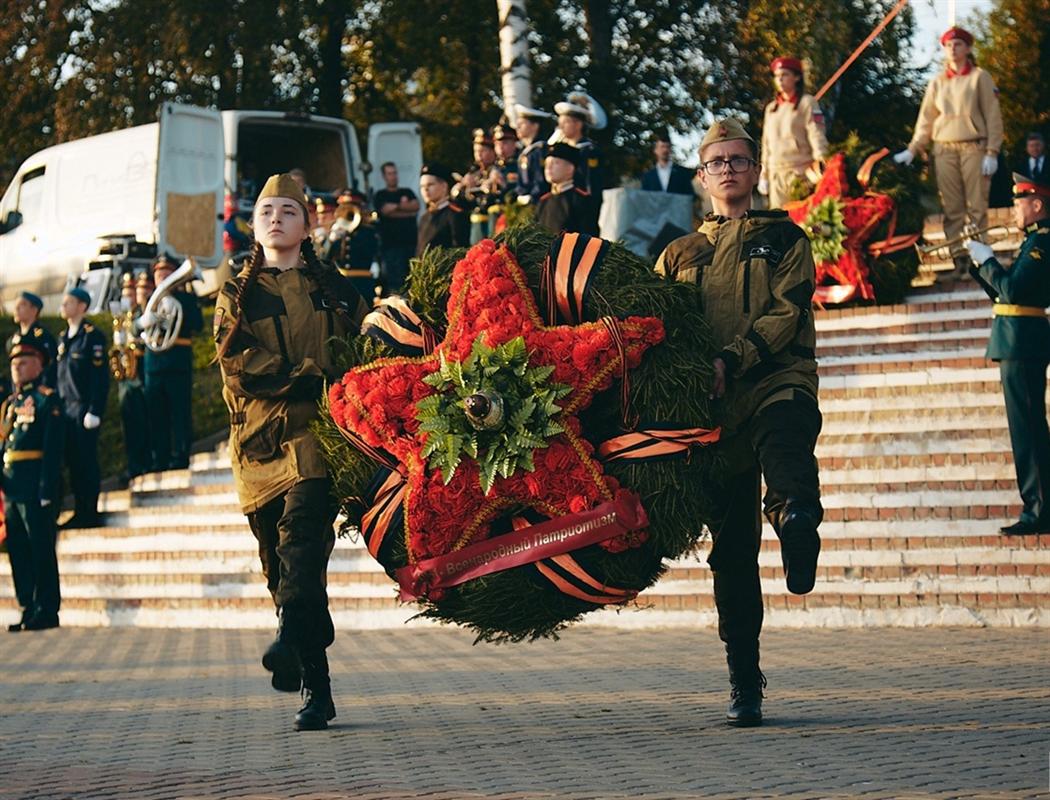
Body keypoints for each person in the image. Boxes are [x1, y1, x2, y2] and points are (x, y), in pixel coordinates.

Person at [654, 118, 822, 728]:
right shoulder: (678, 253)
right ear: (701, 176)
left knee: (787, 459)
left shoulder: (786, 238)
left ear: (755, 171)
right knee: (731, 555)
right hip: (712, 413)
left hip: (776, 381)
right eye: (716, 161)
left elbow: (788, 311)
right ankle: (744, 681)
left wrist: (734, 358)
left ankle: (799, 527)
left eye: (738, 160)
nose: (728, 169)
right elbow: (660, 330)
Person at [213, 173, 370, 731]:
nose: (275, 218)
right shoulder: (235, 292)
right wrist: (309, 376)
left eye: (288, 211)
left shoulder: (338, 289)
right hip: (259, 444)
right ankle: (315, 683)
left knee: (301, 541)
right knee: (284, 572)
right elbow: (240, 365)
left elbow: (365, 350)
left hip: (320, 437)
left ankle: (288, 638)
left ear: (307, 226)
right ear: (255, 227)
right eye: (266, 212)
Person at [967, 174, 1050, 535]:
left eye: (1020, 202)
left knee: (1028, 431)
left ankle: (1038, 510)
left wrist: (989, 262)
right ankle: (1038, 507)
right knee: (1026, 430)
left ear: (1037, 205)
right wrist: (980, 266)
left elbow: (1013, 290)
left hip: (1023, 343)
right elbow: (1003, 293)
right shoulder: (1032, 241)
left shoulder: (1041, 243)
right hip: (1016, 341)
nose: (1015, 208)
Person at [894, 27, 1004, 277]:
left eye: (957, 44)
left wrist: (992, 151)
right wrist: (913, 149)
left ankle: (981, 261)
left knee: (976, 206)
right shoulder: (937, 82)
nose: (953, 49)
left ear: (967, 48)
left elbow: (993, 116)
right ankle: (959, 261)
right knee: (952, 209)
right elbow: (927, 119)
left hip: (973, 146)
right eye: (948, 45)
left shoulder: (980, 77)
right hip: (944, 149)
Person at [2, 339, 64, 631]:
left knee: (40, 549)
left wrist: (47, 488)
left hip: (34, 486)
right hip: (12, 488)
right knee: (19, 551)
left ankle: (47, 610)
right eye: (14, 363)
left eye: (24, 361)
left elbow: (53, 450)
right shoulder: (9, 405)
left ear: (39, 365)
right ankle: (27, 606)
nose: (17, 367)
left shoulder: (46, 399)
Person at [141, 254, 203, 472]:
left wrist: (183, 305)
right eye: (159, 274)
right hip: (153, 366)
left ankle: (181, 456)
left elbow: (198, 324)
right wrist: (142, 321)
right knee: (156, 415)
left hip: (177, 361)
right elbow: (133, 330)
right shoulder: (149, 300)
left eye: (168, 273)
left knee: (179, 414)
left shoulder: (185, 298)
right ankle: (160, 458)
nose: (163, 277)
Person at [56, 287, 109, 530]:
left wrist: (95, 410)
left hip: (84, 409)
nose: (64, 305)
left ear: (82, 306)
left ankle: (90, 510)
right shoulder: (63, 338)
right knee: (73, 463)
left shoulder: (92, 336)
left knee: (86, 461)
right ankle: (79, 509)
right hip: (66, 411)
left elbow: (100, 378)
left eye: (69, 302)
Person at [759, 56, 828, 209]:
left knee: (802, 222)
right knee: (778, 224)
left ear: (796, 77)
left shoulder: (807, 103)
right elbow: (766, 143)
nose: (780, 80)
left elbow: (816, 134)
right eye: (777, 76)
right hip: (776, 175)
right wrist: (763, 173)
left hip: (800, 172)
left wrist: (821, 161)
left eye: (785, 75)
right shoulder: (771, 109)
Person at [111, 273, 150, 482]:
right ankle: (133, 464)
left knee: (144, 419)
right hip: (125, 375)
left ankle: (146, 462)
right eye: (125, 294)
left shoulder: (141, 314)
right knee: (129, 423)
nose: (128, 298)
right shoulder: (120, 318)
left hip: (140, 372)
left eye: (131, 293)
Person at [553, 93, 606, 215]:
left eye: (565, 122)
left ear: (578, 124)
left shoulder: (589, 150)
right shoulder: (564, 148)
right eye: (560, 123)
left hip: (582, 207)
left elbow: (591, 184)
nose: (560, 127)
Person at [374, 162, 420, 292]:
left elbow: (415, 207)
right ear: (384, 176)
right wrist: (405, 208)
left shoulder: (407, 191)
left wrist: (396, 208)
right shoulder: (380, 195)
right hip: (391, 247)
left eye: (394, 173)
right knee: (395, 285)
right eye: (390, 173)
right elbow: (385, 211)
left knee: (413, 281)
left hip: (411, 244)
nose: (393, 176)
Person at [536, 143, 599, 236]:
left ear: (570, 168)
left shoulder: (582, 200)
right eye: (547, 164)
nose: (548, 168)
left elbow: (589, 239)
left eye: (555, 163)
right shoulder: (543, 201)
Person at [453, 128, 501, 243]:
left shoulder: (498, 170)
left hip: (495, 222)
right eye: (476, 151)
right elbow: (462, 202)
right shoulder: (473, 173)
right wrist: (463, 188)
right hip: (476, 224)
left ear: (493, 151)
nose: (478, 154)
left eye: (482, 150)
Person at [5, 292, 58, 389]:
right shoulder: (12, 340)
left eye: (22, 305)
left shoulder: (43, 337)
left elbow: (51, 366)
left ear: (34, 310)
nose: (16, 309)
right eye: (16, 306)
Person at [416, 163, 471, 257]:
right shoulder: (424, 217)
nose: (425, 189)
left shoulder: (455, 215)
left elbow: (459, 250)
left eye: (430, 184)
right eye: (422, 186)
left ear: (444, 186)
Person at [514, 103, 553, 205]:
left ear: (535, 126)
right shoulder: (524, 152)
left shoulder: (540, 151)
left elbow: (541, 180)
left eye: (522, 124)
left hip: (539, 201)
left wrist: (532, 196)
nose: (517, 127)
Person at [641, 131, 697, 196]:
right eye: (662, 146)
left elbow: (689, 196)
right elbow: (644, 198)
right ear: (655, 150)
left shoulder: (682, 173)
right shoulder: (648, 176)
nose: (665, 150)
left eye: (667, 147)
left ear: (670, 149)